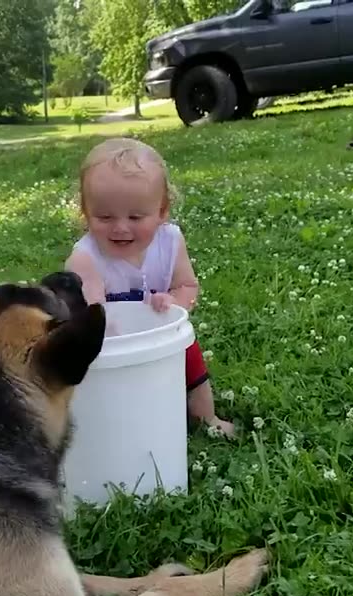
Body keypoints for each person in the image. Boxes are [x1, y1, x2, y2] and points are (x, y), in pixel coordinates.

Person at [64, 137, 236, 438]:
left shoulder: (169, 241)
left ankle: (206, 415)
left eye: (135, 216)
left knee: (189, 352)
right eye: (104, 217)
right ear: (85, 211)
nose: (120, 227)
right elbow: (86, 302)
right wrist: (94, 306)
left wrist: (173, 303)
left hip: (159, 334)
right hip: (111, 345)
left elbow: (187, 285)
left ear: (162, 210)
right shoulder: (85, 255)